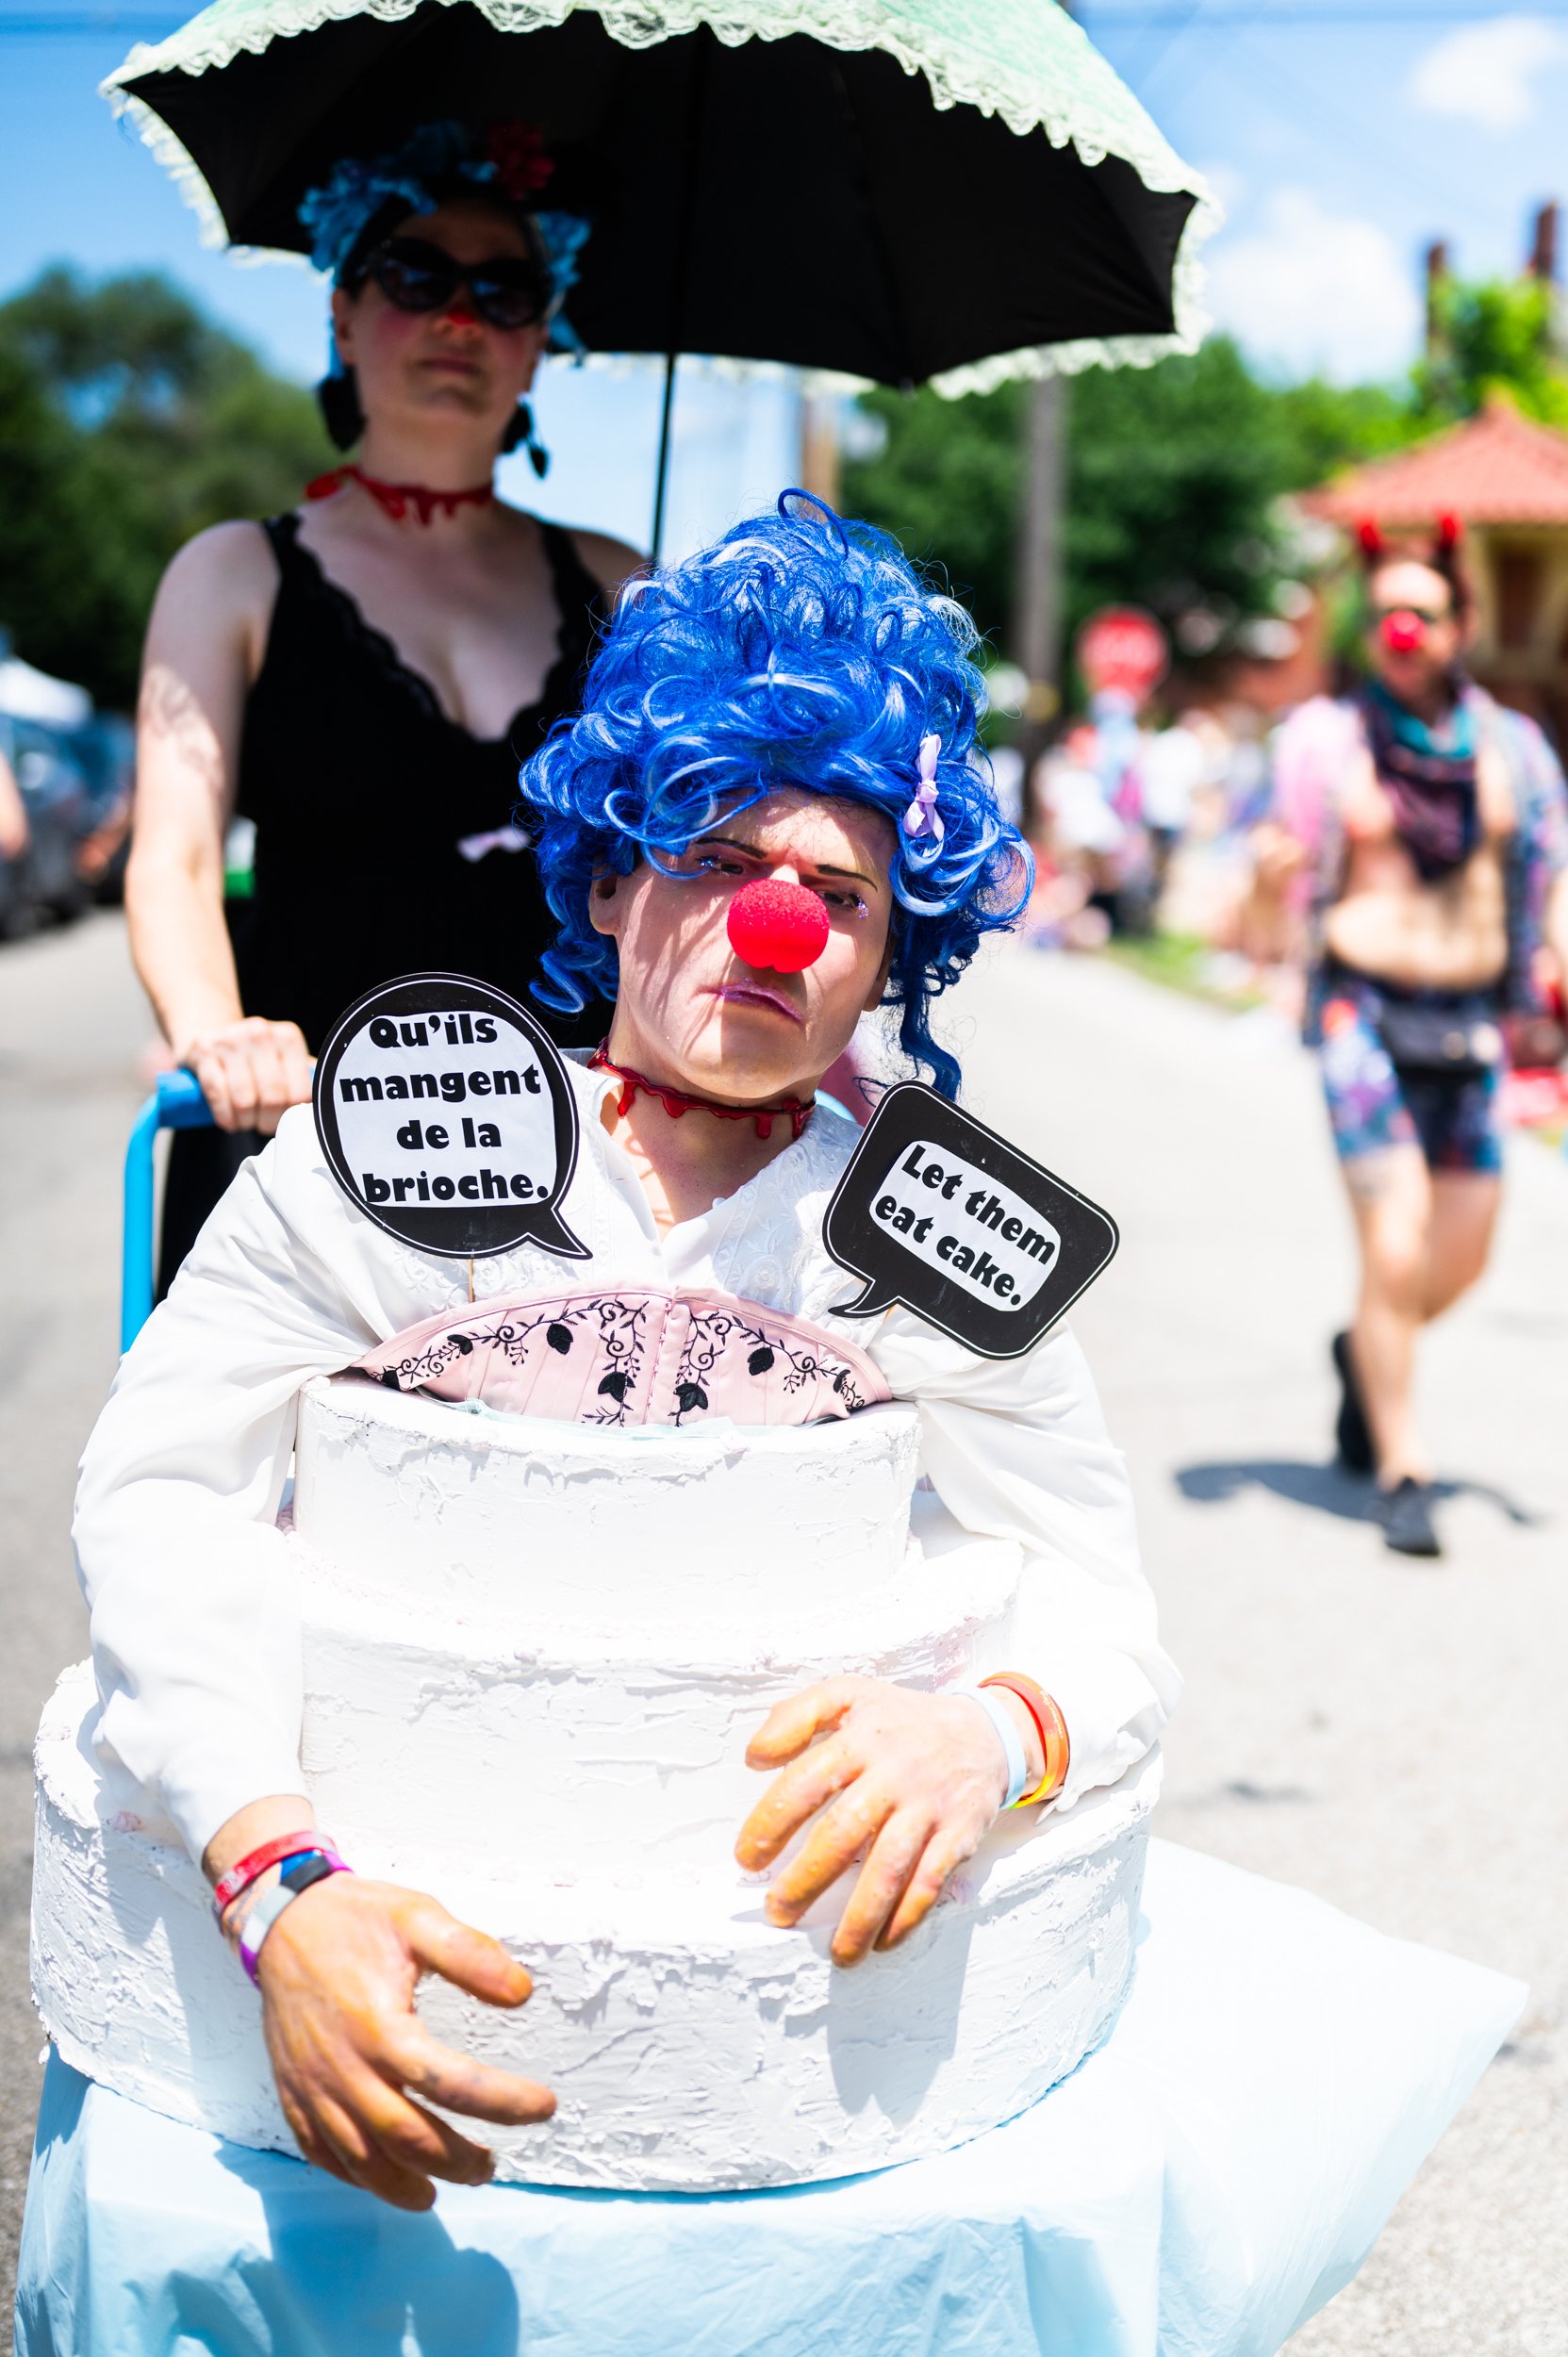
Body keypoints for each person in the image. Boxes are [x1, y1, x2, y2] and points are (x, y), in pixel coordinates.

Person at [71, 500, 1176, 2209]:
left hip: (779, 2084)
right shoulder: (380, 1153)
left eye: (840, 896)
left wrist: (990, 1734)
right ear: (604, 876)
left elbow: (1101, 1597)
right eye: (715, 862)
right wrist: (274, 1877)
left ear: (894, 952)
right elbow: (159, 1501)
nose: (775, 929)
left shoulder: (929, 1233)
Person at [124, 116, 641, 1293]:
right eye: (416, 274)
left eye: (505, 292)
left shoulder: (624, 585)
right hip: (297, 1147)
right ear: (343, 313)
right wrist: (217, 1032)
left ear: (539, 342)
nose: (460, 319)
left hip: (566, 1167)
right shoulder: (234, 573)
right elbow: (176, 859)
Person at [1263, 519, 1568, 1557]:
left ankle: (1364, 1349)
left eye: (1424, 613)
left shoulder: (1514, 748)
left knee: (1459, 1260)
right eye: (1388, 612)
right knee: (1395, 1243)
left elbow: (1550, 874)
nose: (1404, 631)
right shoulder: (1326, 742)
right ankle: (1403, 1467)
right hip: (1363, 1014)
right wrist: (1263, 888)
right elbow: (1274, 883)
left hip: (1472, 1022)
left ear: (1459, 625)